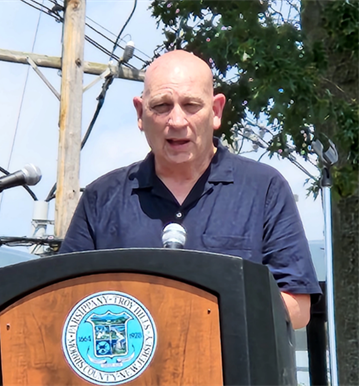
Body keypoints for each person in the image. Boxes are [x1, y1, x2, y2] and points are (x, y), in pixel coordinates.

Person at [60, 50, 321, 329]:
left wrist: (202, 314)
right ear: (140, 113)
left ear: (216, 111)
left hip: (233, 371)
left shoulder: (264, 188)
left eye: (191, 105)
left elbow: (297, 308)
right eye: (161, 106)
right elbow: (62, 301)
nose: (177, 121)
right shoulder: (102, 198)